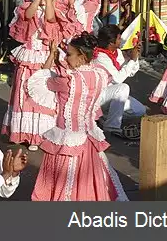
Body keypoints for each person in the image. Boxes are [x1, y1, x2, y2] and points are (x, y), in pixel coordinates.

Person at [28, 33, 128, 201]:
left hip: (68, 139)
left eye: (69, 54)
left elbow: (41, 79)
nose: (66, 58)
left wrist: (52, 55)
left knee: (65, 182)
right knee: (94, 181)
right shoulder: (99, 75)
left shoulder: (68, 80)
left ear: (81, 57)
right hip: (89, 139)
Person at [2, 0, 72, 150]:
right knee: (23, 92)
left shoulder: (58, 7)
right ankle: (23, 133)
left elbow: (50, 18)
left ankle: (39, 135)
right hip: (29, 54)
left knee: (42, 95)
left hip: (46, 55)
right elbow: (28, 15)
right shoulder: (26, 4)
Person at [94, 25, 146, 137]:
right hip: (99, 96)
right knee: (123, 87)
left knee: (140, 110)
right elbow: (118, 79)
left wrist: (135, 57)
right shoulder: (100, 56)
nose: (121, 40)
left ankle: (104, 117)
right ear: (111, 42)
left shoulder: (116, 52)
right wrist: (131, 60)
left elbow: (131, 72)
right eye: (118, 38)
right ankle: (111, 126)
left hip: (112, 94)